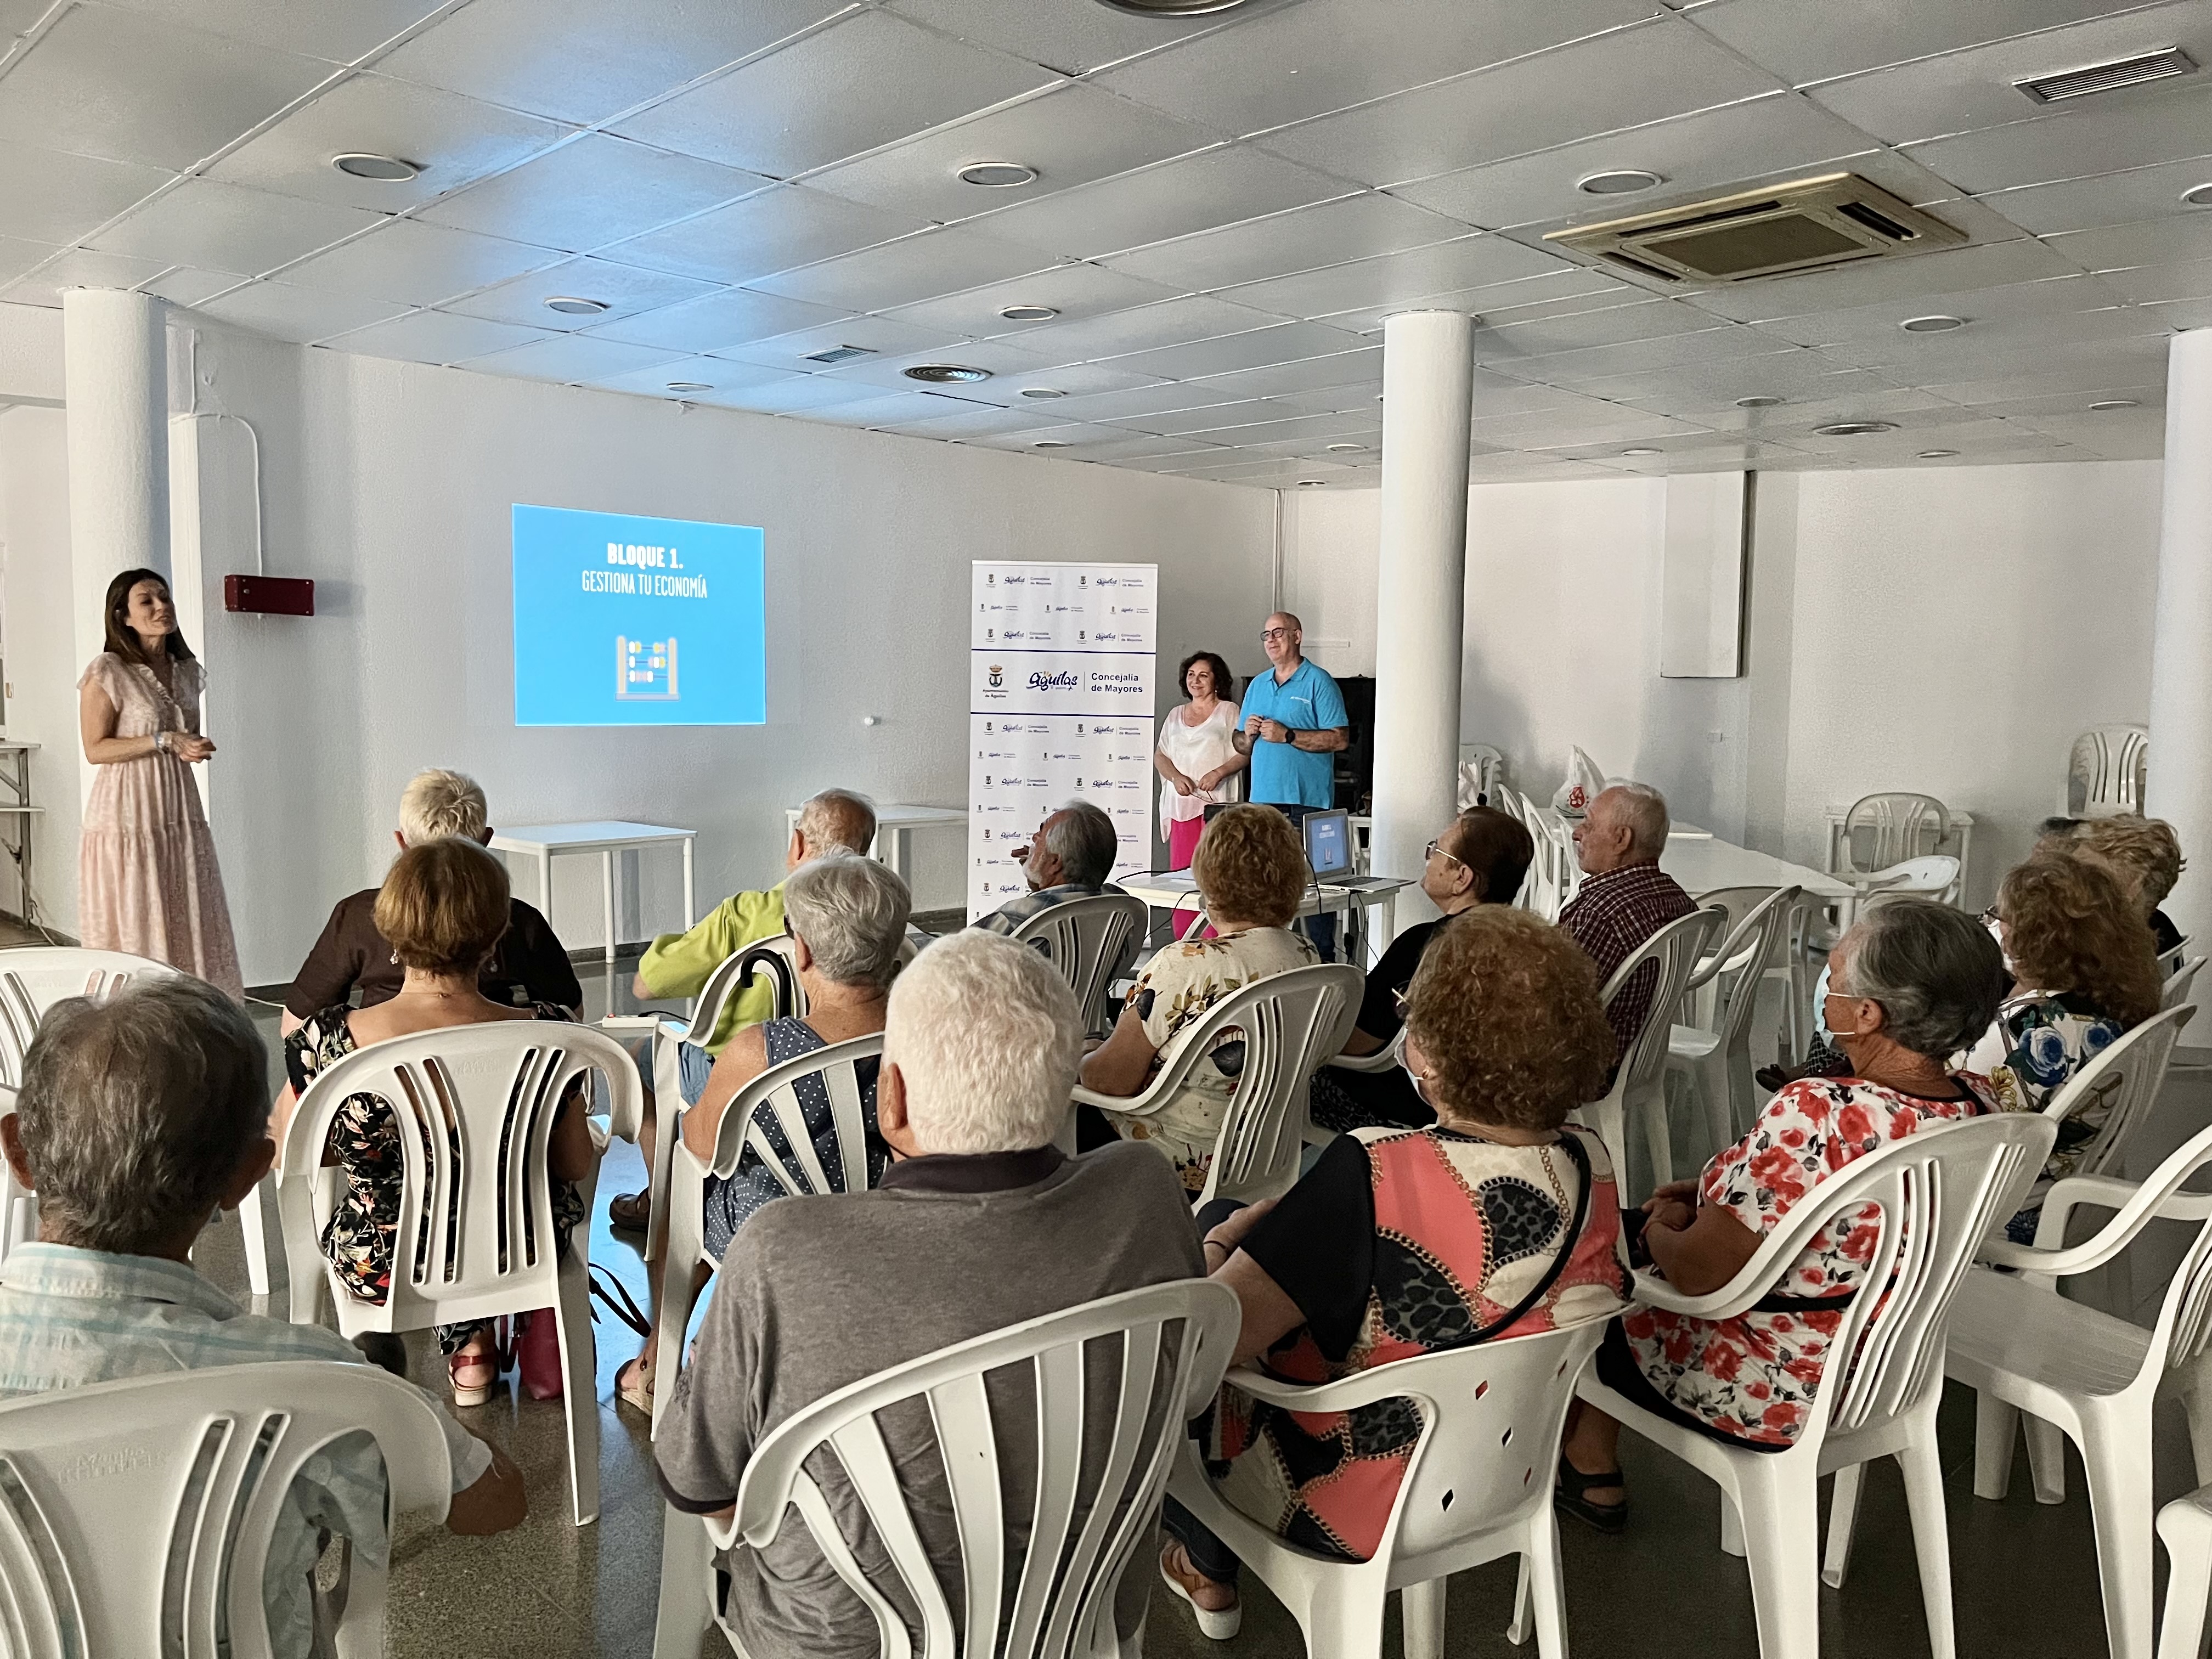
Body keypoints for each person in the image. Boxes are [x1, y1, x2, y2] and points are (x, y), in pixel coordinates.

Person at [653, 930, 1205, 1659]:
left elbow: (698, 1483)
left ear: (894, 1097)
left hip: (846, 1642)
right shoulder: (1145, 1192)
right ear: (1063, 1077)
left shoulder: (781, 1251)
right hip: (1081, 1619)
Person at [0, 975, 524, 1658]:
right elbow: (495, 1502)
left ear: (19, 1152)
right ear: (248, 1173)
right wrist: (396, 1394)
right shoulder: (315, 1380)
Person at [1156, 907, 1629, 1636]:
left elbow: (1202, 1346)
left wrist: (1220, 1244)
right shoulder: (1593, 1163)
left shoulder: (1377, 1171)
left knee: (1207, 1243)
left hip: (1350, 1495)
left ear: (1432, 1054)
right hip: (1506, 1475)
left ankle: (1207, 1559)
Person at [1555, 900, 2006, 1531]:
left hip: (1775, 1381)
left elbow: (1700, 1275)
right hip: (1885, 1364)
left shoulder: (1819, 1110)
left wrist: (1660, 1226)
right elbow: (1822, 1208)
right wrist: (1713, 1195)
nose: (1826, 992)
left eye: (1834, 976)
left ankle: (1589, 1467)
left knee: (1588, 1257)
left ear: (1868, 1015)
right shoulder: (1984, 1111)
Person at [278, 838, 597, 1407]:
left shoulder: (331, 1039)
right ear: (498, 934)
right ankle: (487, 1334)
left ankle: (410, 1370)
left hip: (386, 1259)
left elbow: (293, 1152)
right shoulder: (548, 1033)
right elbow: (573, 1163)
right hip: (519, 1247)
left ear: (388, 931)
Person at [614, 850, 910, 1417]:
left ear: (800, 950)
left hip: (781, 1234)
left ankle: (663, 1355)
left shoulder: (762, 1050)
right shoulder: (921, 1031)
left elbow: (697, 1148)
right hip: (890, 1213)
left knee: (686, 1192)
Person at [1080, 803, 1317, 1194]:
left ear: (1208, 875)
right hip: (1267, 1151)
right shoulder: (1306, 956)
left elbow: (1108, 1081)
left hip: (1172, 1156)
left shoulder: (1184, 965)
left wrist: (1085, 1052)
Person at [283, 768, 580, 1038]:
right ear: (486, 842)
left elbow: (295, 1027)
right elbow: (571, 1018)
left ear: (402, 843)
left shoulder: (358, 915)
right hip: (501, 1077)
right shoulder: (519, 918)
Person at [1306, 805, 1536, 1135]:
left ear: (1462, 878)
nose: (1428, 857)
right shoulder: (1528, 943)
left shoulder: (1428, 946)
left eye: (1436, 850)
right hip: (1496, 1105)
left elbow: (1356, 1045)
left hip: (1411, 1102)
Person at [76, 567, 243, 998]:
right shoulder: (108, 670)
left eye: (164, 597)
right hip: (127, 808)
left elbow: (187, 731)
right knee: (137, 904)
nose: (161, 607)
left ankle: (190, 1007)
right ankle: (133, 1009)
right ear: (123, 617)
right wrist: (163, 739)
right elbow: (95, 749)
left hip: (177, 804)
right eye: (147, 601)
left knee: (182, 901)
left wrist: (191, 746)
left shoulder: (185, 670)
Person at [1965, 850, 2159, 1203]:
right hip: (2059, 1180)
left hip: (2002, 1204)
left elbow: (1944, 1116)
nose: (1993, 924)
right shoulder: (2106, 995)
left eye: (1999, 915)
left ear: (2031, 934)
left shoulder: (2027, 1030)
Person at [1234, 612, 1348, 960]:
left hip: (1309, 804)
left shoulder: (1319, 681)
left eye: (1278, 633)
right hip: (1263, 804)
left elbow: (1340, 739)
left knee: (1318, 891)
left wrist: (1289, 736)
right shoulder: (1258, 685)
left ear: (1297, 636)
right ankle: (1269, 960)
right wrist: (1248, 735)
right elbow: (1240, 745)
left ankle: (1325, 964)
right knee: (1263, 884)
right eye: (1266, 634)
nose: (1271, 640)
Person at [1559, 782, 1696, 1059]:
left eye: (1588, 824)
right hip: (1640, 1059)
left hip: (1585, 1067)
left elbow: (1551, 1005)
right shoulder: (1680, 901)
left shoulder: (1601, 914)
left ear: (1622, 839)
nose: (1577, 834)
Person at [973, 798, 1127, 934]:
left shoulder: (1017, 914)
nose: (1034, 837)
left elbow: (954, 955)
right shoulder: (1121, 907)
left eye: (1041, 834)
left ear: (1054, 863)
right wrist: (1042, 880)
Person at [2050, 815, 2187, 958]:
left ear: (2134, 885)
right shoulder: (2156, 938)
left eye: (2084, 873)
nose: (2064, 881)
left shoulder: (2093, 957)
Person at [1156, 651, 1246, 871]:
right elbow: (1160, 755)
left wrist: (1218, 774)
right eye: (1191, 674)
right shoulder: (1175, 714)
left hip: (1216, 806)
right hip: (1182, 806)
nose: (1195, 681)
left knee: (1216, 870)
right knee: (1182, 874)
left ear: (1217, 680)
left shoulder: (1229, 711)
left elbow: (1244, 753)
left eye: (1203, 675)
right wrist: (1176, 778)